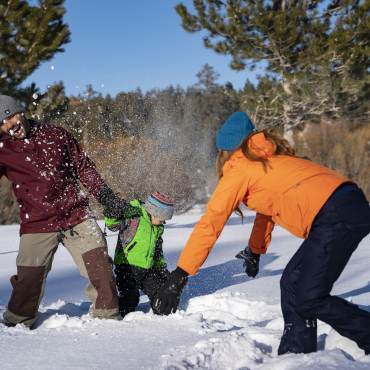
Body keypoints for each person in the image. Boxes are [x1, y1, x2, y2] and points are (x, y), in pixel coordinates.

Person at [153, 111, 370, 355]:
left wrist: (181, 273)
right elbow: (266, 213)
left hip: (335, 214)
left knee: (310, 296)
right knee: (292, 282)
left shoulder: (240, 167)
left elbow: (212, 221)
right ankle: (297, 352)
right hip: (347, 204)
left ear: (224, 150)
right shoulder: (268, 160)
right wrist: (255, 251)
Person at [0, 94, 140, 328]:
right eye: (2, 123)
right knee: (29, 281)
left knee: (101, 269)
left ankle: (107, 319)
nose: (9, 125)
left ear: (20, 112)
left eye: (11, 116)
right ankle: (16, 323)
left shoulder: (55, 135)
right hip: (37, 222)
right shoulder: (4, 149)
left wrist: (106, 196)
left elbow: (83, 168)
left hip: (75, 214)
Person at [105, 192, 174, 317]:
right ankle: (113, 313)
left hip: (148, 269)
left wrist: (162, 269)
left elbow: (157, 251)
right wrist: (112, 212)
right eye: (162, 218)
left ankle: (163, 313)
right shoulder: (134, 216)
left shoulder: (157, 227)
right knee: (129, 301)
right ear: (154, 212)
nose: (164, 222)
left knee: (160, 298)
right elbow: (113, 225)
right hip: (127, 267)